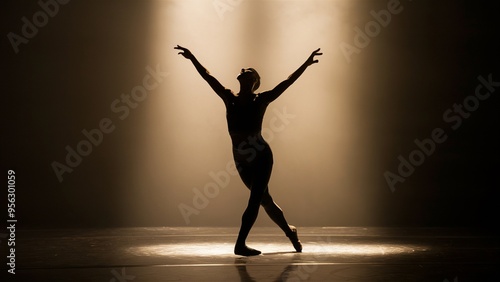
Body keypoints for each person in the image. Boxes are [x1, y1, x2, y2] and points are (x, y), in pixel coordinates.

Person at [175, 45, 322, 256]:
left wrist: (305, 65)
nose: (243, 70)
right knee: (265, 200)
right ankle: (290, 232)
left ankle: (240, 244)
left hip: (260, 156)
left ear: (254, 81)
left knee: (254, 200)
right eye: (243, 69)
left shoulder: (261, 99)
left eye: (248, 71)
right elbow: (208, 77)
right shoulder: (229, 97)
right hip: (241, 159)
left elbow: (287, 82)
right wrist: (192, 58)